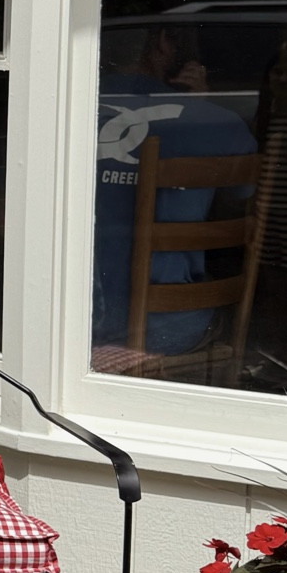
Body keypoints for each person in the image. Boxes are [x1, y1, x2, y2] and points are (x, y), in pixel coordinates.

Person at [92, 23, 256, 361]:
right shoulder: (216, 124)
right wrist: (198, 109)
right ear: (164, 43)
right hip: (169, 328)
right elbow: (243, 201)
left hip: (69, 323)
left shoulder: (60, 113)